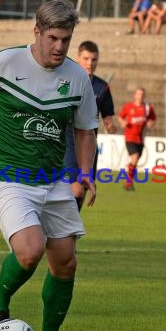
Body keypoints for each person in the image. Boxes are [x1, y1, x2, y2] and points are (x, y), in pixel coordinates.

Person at [0, 0, 98, 331]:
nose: (60, 47)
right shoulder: (5, 62)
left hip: (54, 178)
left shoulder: (77, 76)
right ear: (36, 32)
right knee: (31, 250)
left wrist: (85, 172)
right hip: (9, 174)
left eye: (66, 39)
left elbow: (85, 131)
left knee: (65, 259)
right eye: (53, 38)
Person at [64, 40, 117, 210]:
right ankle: (64, 228)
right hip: (68, 140)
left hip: (89, 143)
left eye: (94, 59)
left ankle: (66, 231)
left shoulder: (102, 87)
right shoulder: (67, 82)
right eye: (86, 58)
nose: (90, 63)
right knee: (77, 190)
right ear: (78, 57)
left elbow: (107, 115)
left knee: (83, 190)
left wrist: (109, 125)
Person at [118, 87, 156, 191]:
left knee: (134, 163)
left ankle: (129, 181)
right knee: (134, 158)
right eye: (138, 94)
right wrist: (123, 123)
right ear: (135, 95)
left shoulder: (147, 108)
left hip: (141, 139)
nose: (140, 96)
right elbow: (120, 117)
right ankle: (128, 183)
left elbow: (153, 118)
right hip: (130, 137)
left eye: (142, 94)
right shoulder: (128, 107)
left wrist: (150, 124)